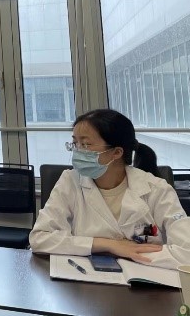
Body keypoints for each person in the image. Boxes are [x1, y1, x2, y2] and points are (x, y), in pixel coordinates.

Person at [30, 109, 190, 269]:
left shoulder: (156, 189)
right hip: (86, 278)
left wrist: (128, 253)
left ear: (116, 152)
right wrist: (109, 245)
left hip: (146, 279)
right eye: (75, 143)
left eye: (85, 144)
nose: (77, 151)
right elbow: (39, 239)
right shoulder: (70, 181)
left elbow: (186, 252)